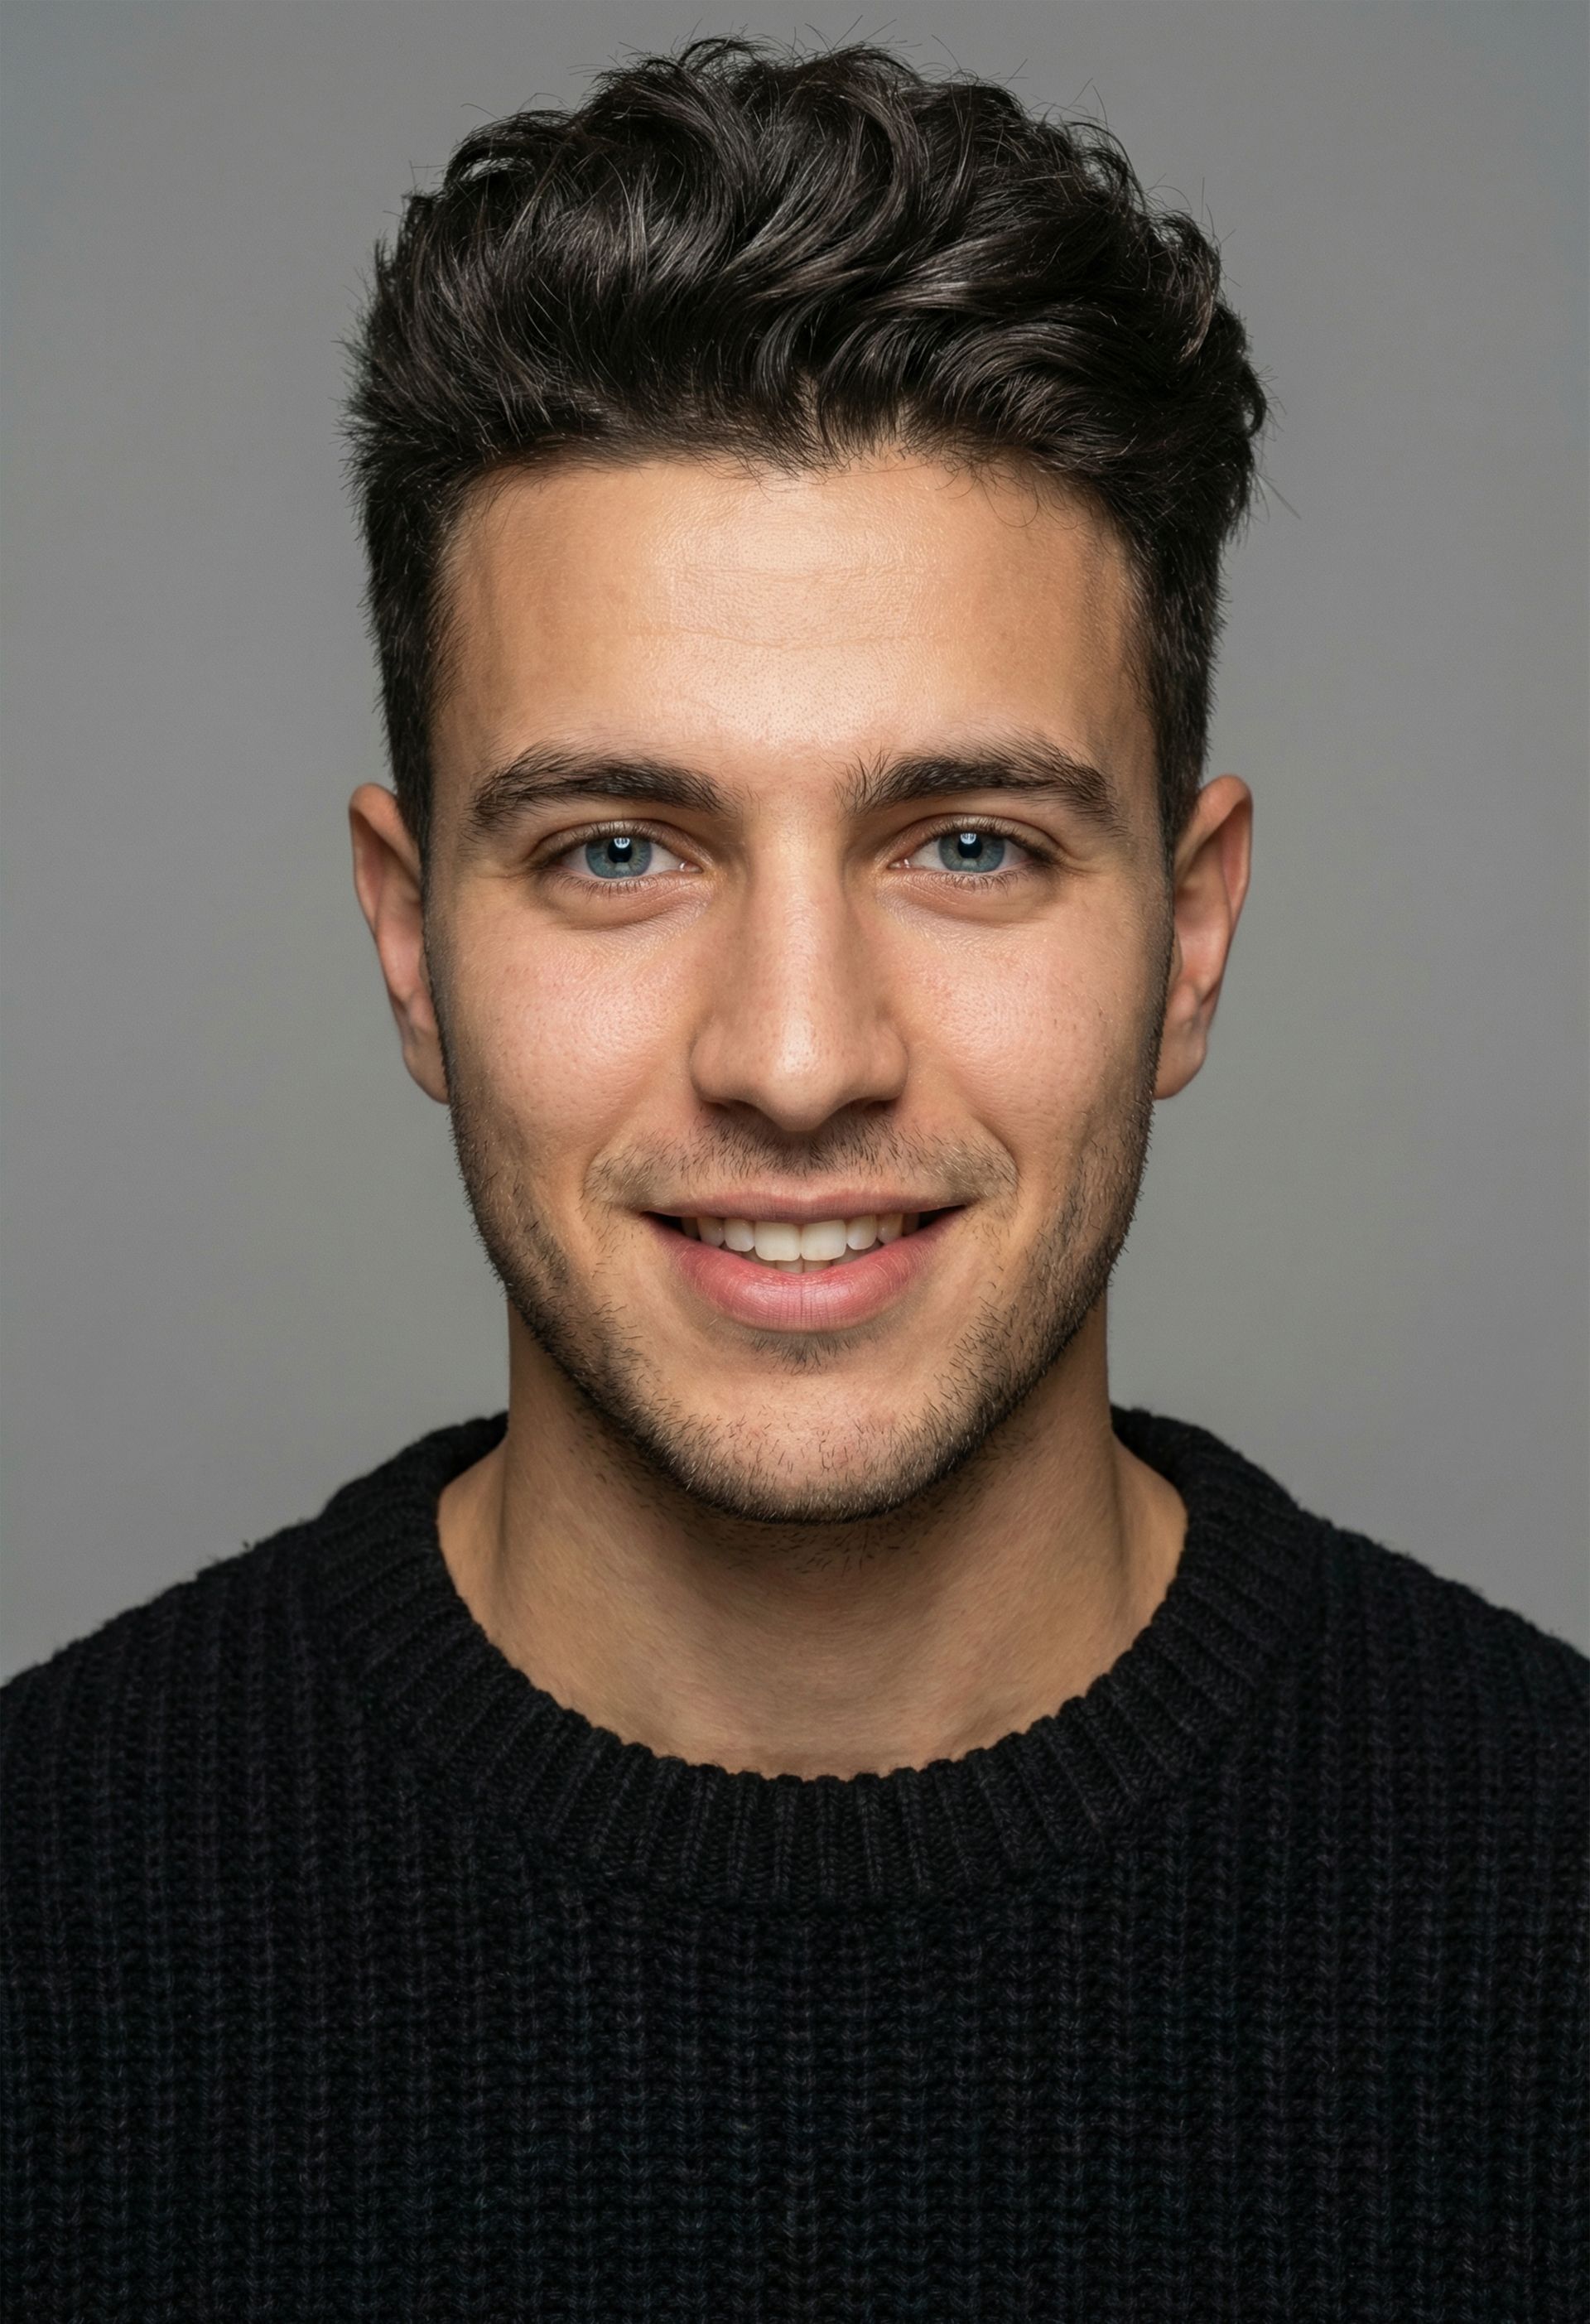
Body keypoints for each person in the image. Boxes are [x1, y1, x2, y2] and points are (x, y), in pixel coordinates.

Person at [2, 38, 1583, 2319]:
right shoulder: (49, 1924)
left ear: (1193, 932)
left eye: (968, 844)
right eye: (619, 851)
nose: (798, 1058)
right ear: (410, 941)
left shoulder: (1550, 1924)